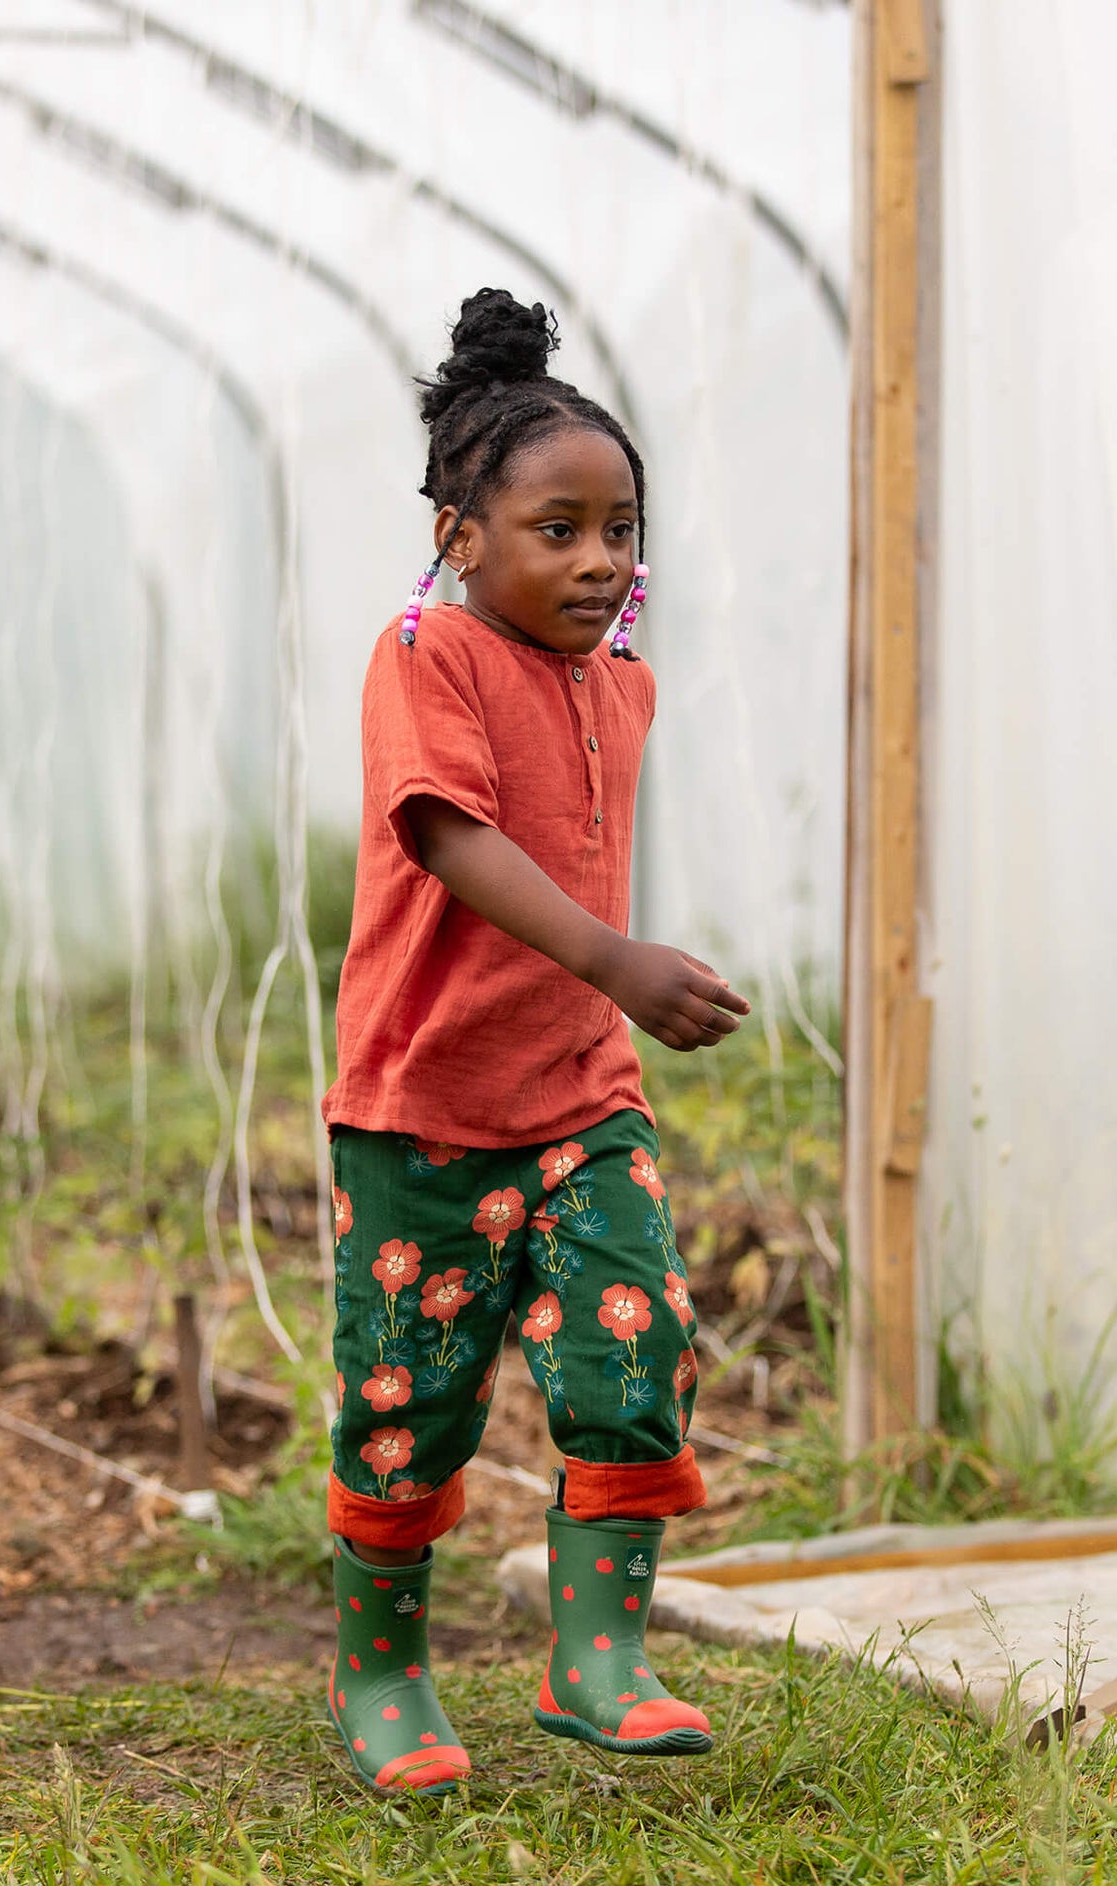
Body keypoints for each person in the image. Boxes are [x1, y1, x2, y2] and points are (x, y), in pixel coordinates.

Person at [320, 288, 751, 1795]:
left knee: (634, 1356)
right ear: (458, 535)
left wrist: (611, 999)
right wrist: (617, 958)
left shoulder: (618, 678)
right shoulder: (421, 654)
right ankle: (382, 1676)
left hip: (580, 1095)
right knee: (409, 1404)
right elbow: (446, 833)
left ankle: (597, 1657)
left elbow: (603, 672)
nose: (598, 559)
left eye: (619, 528)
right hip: (421, 1102)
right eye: (555, 529)